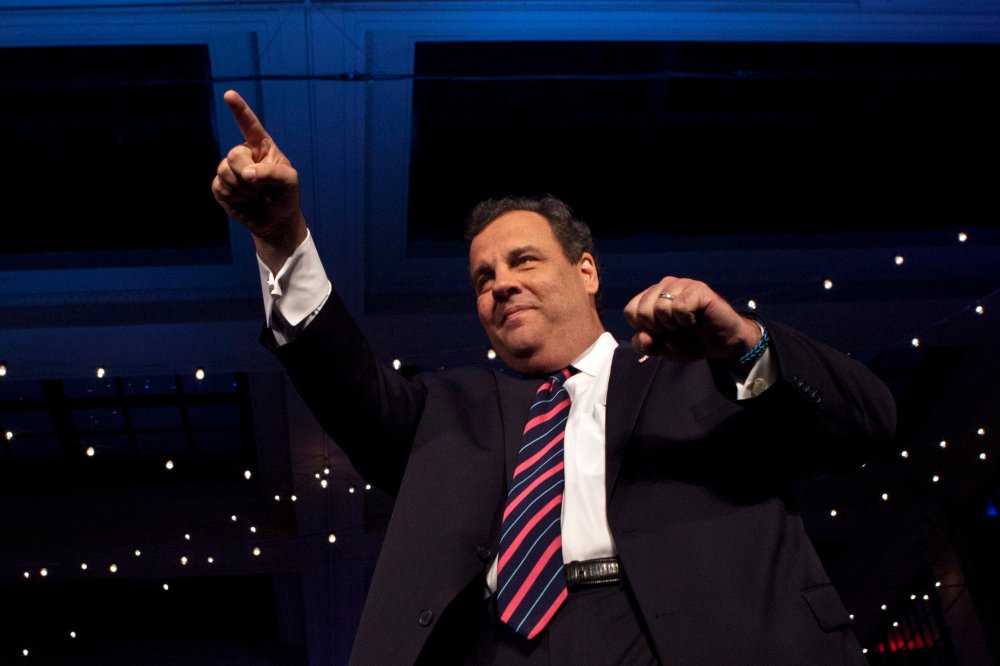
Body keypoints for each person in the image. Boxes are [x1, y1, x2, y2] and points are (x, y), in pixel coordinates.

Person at [213, 89, 896, 665]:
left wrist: (745, 344)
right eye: (484, 278)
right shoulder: (444, 413)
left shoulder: (706, 374)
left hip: (694, 637)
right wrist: (281, 239)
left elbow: (867, 423)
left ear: (586, 270)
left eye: (524, 261)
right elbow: (344, 379)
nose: (502, 285)